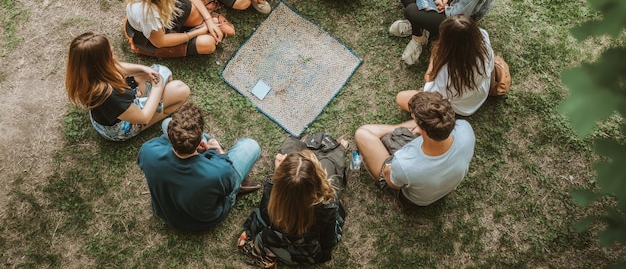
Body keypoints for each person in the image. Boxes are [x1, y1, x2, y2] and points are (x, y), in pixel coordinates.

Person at [137, 103, 262, 231]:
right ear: (199, 142)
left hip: (165, 211)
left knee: (166, 122)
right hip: (201, 222)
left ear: (169, 136)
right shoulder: (220, 171)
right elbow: (228, 184)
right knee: (250, 146)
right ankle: (238, 184)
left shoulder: (148, 150)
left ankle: (190, 142)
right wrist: (217, 149)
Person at [238, 135, 347, 266]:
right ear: (317, 180)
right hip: (307, 254)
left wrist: (276, 178)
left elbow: (264, 217)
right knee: (330, 161)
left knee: (289, 148)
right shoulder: (326, 205)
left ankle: (304, 146)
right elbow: (328, 241)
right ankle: (337, 149)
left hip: (280, 245)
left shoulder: (273, 195)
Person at [355, 91, 475, 206]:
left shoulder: (404, 162)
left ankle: (393, 130)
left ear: (421, 130)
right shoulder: (465, 129)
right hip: (443, 182)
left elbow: (392, 183)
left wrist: (387, 170)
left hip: (415, 200)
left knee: (363, 132)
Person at [65, 32, 190, 141]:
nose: (113, 48)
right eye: (111, 52)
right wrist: (157, 88)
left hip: (108, 116)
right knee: (181, 90)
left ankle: (152, 99)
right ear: (101, 63)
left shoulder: (87, 75)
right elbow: (144, 117)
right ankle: (160, 106)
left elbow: (115, 67)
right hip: (121, 128)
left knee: (156, 72)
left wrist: (142, 69)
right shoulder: (110, 95)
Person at [396, 14, 494, 116]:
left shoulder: (448, 72)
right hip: (481, 92)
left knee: (401, 98)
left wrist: (434, 59)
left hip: (462, 107)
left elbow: (430, 87)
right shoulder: (484, 36)